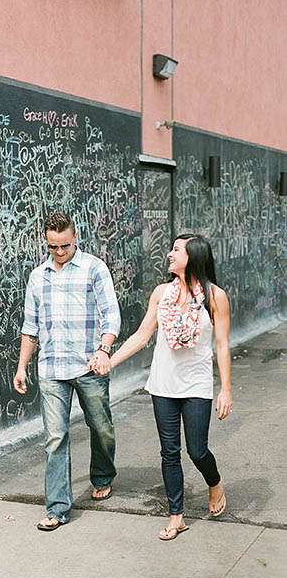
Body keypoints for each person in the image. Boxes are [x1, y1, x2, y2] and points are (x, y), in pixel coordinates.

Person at [105, 234, 231, 540]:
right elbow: (141, 336)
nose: (170, 253)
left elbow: (223, 344)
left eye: (176, 249)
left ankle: (214, 483)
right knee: (169, 452)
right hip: (163, 384)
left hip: (197, 385)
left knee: (197, 450)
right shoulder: (162, 293)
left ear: (193, 256)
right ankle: (177, 516)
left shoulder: (215, 297)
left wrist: (226, 388)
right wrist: (111, 360)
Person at [14, 211, 121, 531]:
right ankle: (58, 508)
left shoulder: (94, 268)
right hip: (51, 368)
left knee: (101, 427)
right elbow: (30, 327)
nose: (59, 253)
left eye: (65, 246)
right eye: (52, 247)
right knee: (55, 437)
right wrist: (22, 367)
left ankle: (102, 474)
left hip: (90, 364)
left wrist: (104, 350)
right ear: (45, 243)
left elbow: (111, 316)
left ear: (75, 239)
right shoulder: (38, 276)